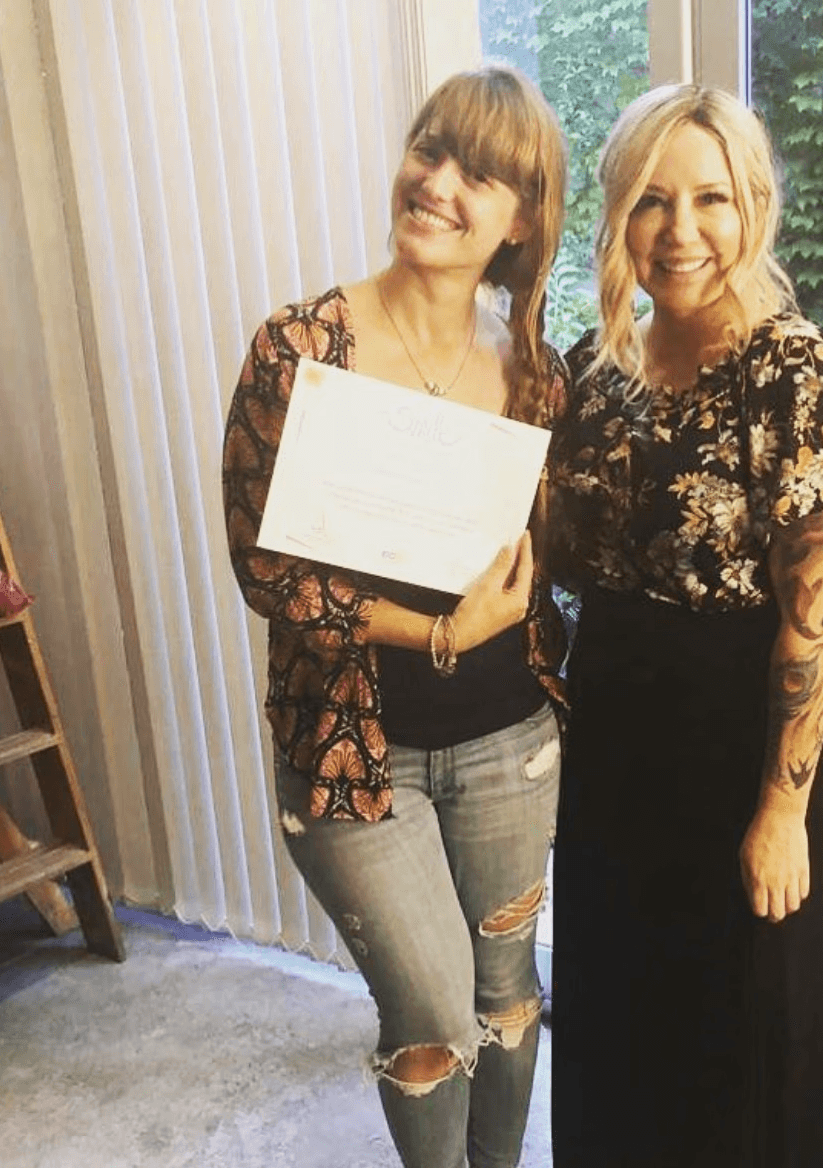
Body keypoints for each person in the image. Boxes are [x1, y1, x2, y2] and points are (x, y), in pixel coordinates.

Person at [222, 67, 568, 1168]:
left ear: (520, 223)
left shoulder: (535, 373)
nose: (438, 183)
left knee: (507, 994)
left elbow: (538, 557)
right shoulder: (301, 349)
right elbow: (264, 567)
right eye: (430, 149)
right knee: (430, 1010)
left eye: (479, 174)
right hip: (349, 753)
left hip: (509, 740)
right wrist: (435, 632)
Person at [547, 83, 823, 1168]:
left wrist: (781, 814)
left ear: (753, 208)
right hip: (615, 737)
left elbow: (812, 629)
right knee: (620, 1015)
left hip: (750, 744)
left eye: (710, 198)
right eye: (652, 200)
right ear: (617, 213)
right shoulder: (596, 367)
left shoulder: (792, 373)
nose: (680, 230)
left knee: (749, 1034)